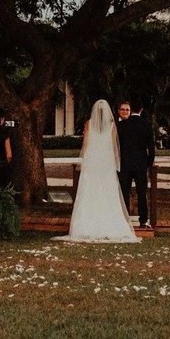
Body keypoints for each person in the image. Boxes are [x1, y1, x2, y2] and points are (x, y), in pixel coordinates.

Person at [56, 100, 139, 244]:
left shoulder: (89, 124)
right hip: (106, 162)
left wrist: (84, 159)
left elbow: (86, 143)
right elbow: (114, 146)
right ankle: (109, 222)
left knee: (90, 190)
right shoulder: (112, 125)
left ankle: (86, 224)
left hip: (93, 161)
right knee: (107, 191)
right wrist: (115, 162)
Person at [116, 100, 156, 229]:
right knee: (142, 193)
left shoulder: (122, 125)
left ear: (131, 109)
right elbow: (151, 147)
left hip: (125, 164)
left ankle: (124, 220)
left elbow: (117, 146)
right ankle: (143, 220)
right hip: (140, 164)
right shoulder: (146, 125)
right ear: (142, 110)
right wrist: (149, 162)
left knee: (124, 193)